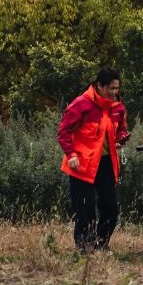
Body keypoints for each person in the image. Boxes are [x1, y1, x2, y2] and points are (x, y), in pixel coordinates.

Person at [57, 67, 130, 253]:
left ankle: (102, 244)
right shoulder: (81, 104)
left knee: (110, 207)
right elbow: (63, 132)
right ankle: (86, 247)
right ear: (99, 86)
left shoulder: (118, 107)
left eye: (117, 88)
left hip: (106, 163)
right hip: (81, 164)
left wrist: (121, 137)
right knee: (85, 209)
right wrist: (71, 155)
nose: (114, 93)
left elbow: (121, 127)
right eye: (111, 89)